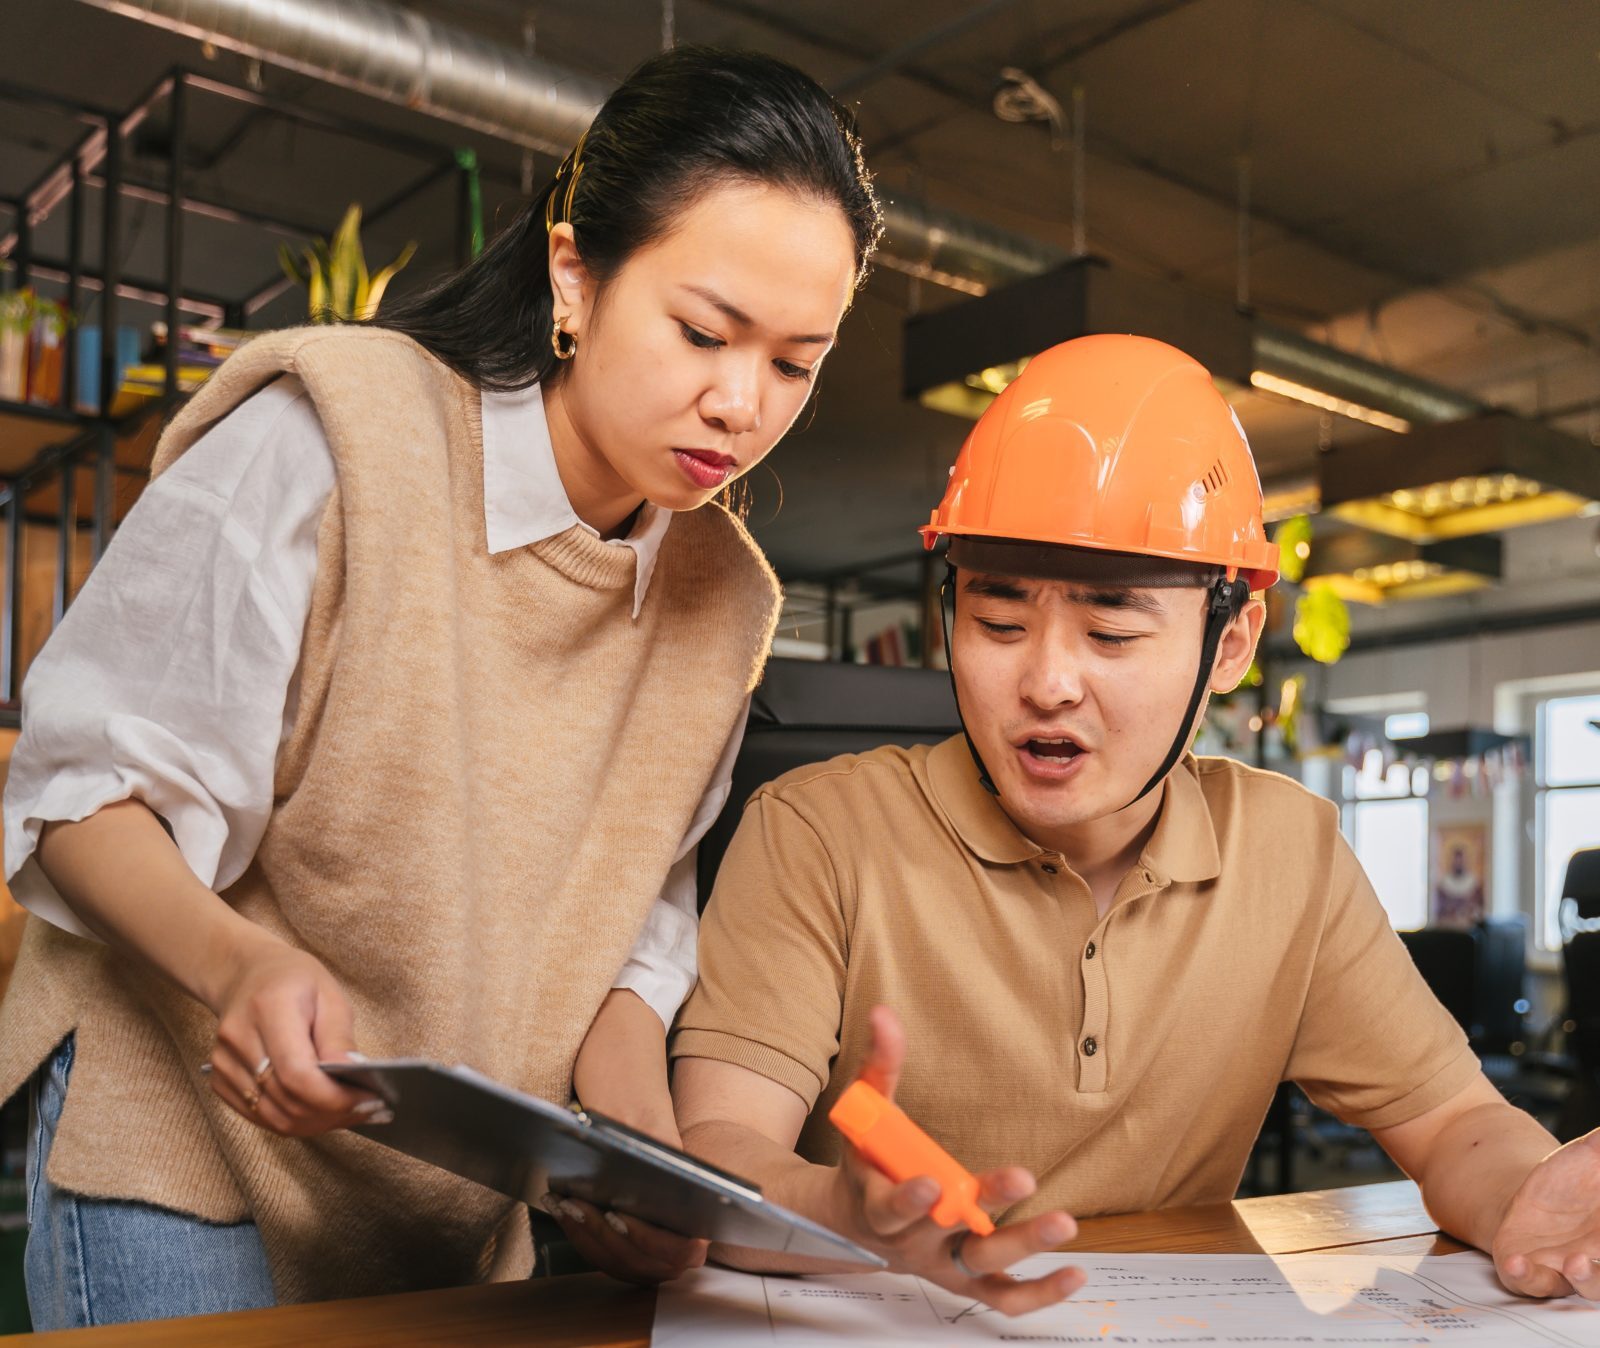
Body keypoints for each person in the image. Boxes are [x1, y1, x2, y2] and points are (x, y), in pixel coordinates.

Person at [0, 45, 881, 1330]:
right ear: (573, 275)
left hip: (448, 1202)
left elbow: (635, 937)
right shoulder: (338, 437)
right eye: (703, 332)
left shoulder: (725, 597)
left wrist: (643, 1159)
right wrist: (238, 964)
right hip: (185, 1152)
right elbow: (82, 790)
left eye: (796, 364)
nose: (740, 402)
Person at [671, 334, 1600, 1314]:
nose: (1046, 682)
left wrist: (1523, 1195)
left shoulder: (1291, 852)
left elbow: (1452, 1118)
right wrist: (840, 1213)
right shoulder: (817, 831)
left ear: (1230, 640)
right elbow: (716, 1146)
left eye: (1110, 631)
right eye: (997, 623)